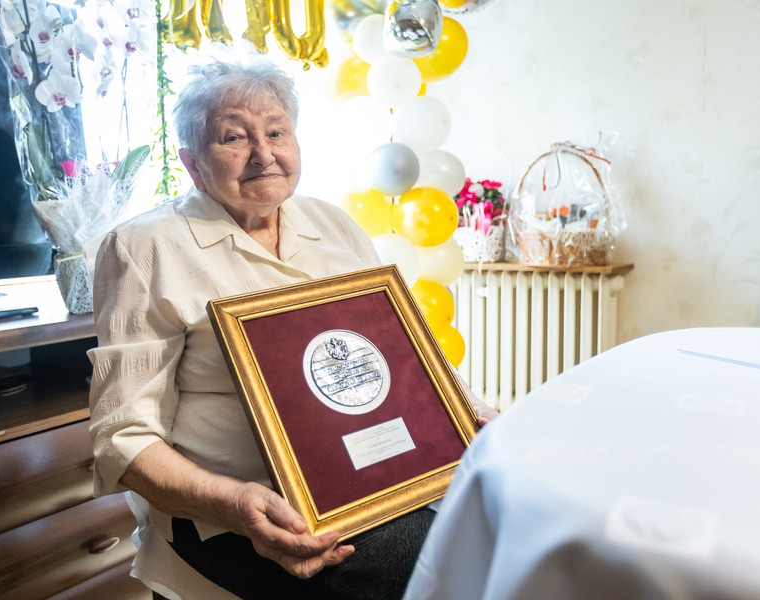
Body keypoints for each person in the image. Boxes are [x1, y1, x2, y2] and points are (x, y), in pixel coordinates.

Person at [88, 53, 497, 600]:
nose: (264, 155)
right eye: (234, 138)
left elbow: (401, 357)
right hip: (233, 510)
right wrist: (233, 504)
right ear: (190, 162)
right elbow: (123, 436)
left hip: (370, 480)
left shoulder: (335, 224)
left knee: (501, 526)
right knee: (425, 561)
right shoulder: (145, 247)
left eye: (277, 132)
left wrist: (464, 414)